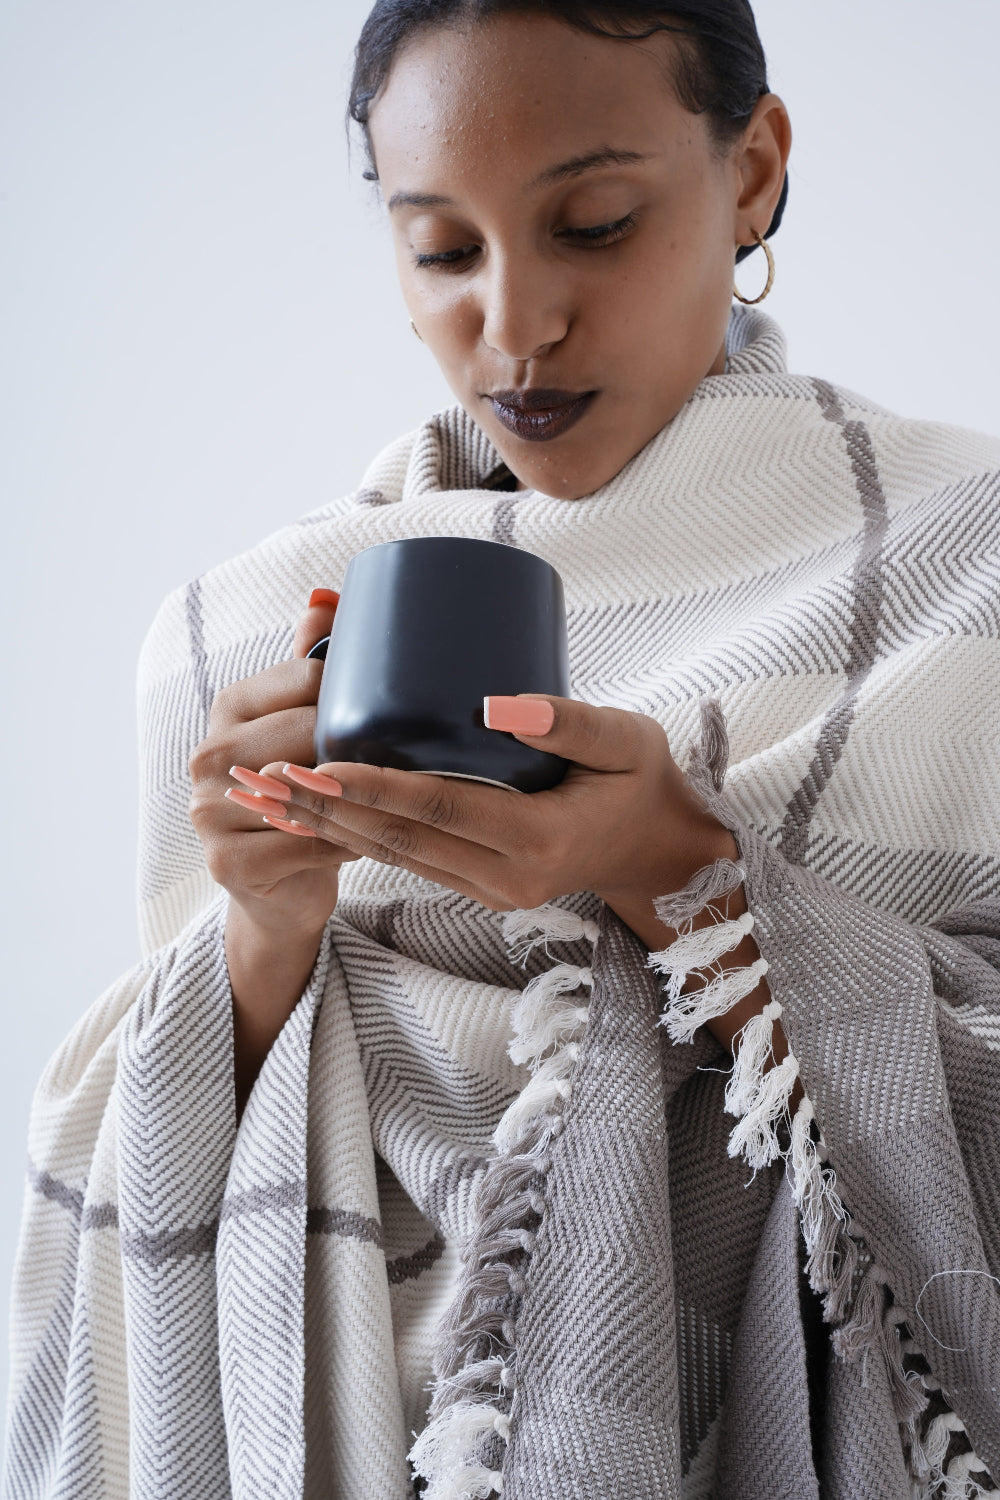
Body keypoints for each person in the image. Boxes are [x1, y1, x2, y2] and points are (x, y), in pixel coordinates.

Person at [5, 2, 999, 1497]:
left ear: (753, 170)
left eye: (593, 223)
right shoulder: (239, 640)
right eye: (444, 250)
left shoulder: (967, 563)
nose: (516, 325)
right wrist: (264, 933)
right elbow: (134, 1217)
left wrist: (680, 869)